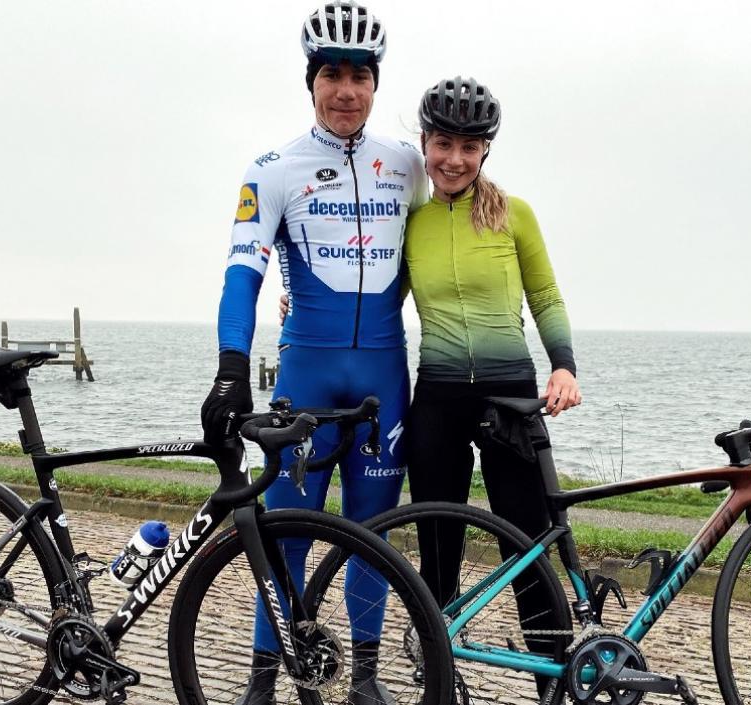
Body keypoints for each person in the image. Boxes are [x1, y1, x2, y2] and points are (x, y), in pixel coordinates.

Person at [199, 3, 427, 704]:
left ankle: (364, 678)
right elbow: (243, 274)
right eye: (332, 74)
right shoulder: (273, 170)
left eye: (360, 75)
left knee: (373, 540)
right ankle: (263, 684)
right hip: (306, 380)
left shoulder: (409, 165)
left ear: (376, 83)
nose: (347, 90)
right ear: (311, 81)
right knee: (286, 540)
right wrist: (232, 368)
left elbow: (456, 228)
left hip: (384, 382)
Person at [407, 76, 581, 686]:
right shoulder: (412, 221)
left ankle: (551, 684)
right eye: (444, 143)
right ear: (424, 142)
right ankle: (440, 680)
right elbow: (373, 295)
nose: (454, 159)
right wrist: (299, 304)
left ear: (486, 151)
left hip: (511, 396)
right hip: (437, 400)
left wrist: (563, 365)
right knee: (436, 553)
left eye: (470, 146)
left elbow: (547, 296)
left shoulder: (515, 215)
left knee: (529, 551)